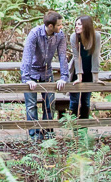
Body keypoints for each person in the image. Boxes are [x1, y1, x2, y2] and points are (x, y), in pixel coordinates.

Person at [20, 11, 69, 139]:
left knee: (49, 104)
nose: (61, 27)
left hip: (47, 72)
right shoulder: (35, 34)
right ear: (50, 26)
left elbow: (63, 56)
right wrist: (26, 79)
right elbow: (27, 56)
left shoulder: (60, 35)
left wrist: (64, 77)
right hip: (31, 73)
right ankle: (35, 136)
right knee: (31, 106)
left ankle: (48, 133)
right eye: (59, 25)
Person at [69, 15, 101, 119]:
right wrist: (79, 77)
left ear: (86, 26)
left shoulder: (96, 36)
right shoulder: (74, 37)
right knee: (74, 101)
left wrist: (96, 77)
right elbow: (77, 57)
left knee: (85, 102)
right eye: (76, 24)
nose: (76, 27)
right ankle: (73, 126)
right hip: (76, 71)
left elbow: (95, 56)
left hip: (89, 71)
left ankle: (83, 129)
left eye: (79, 24)